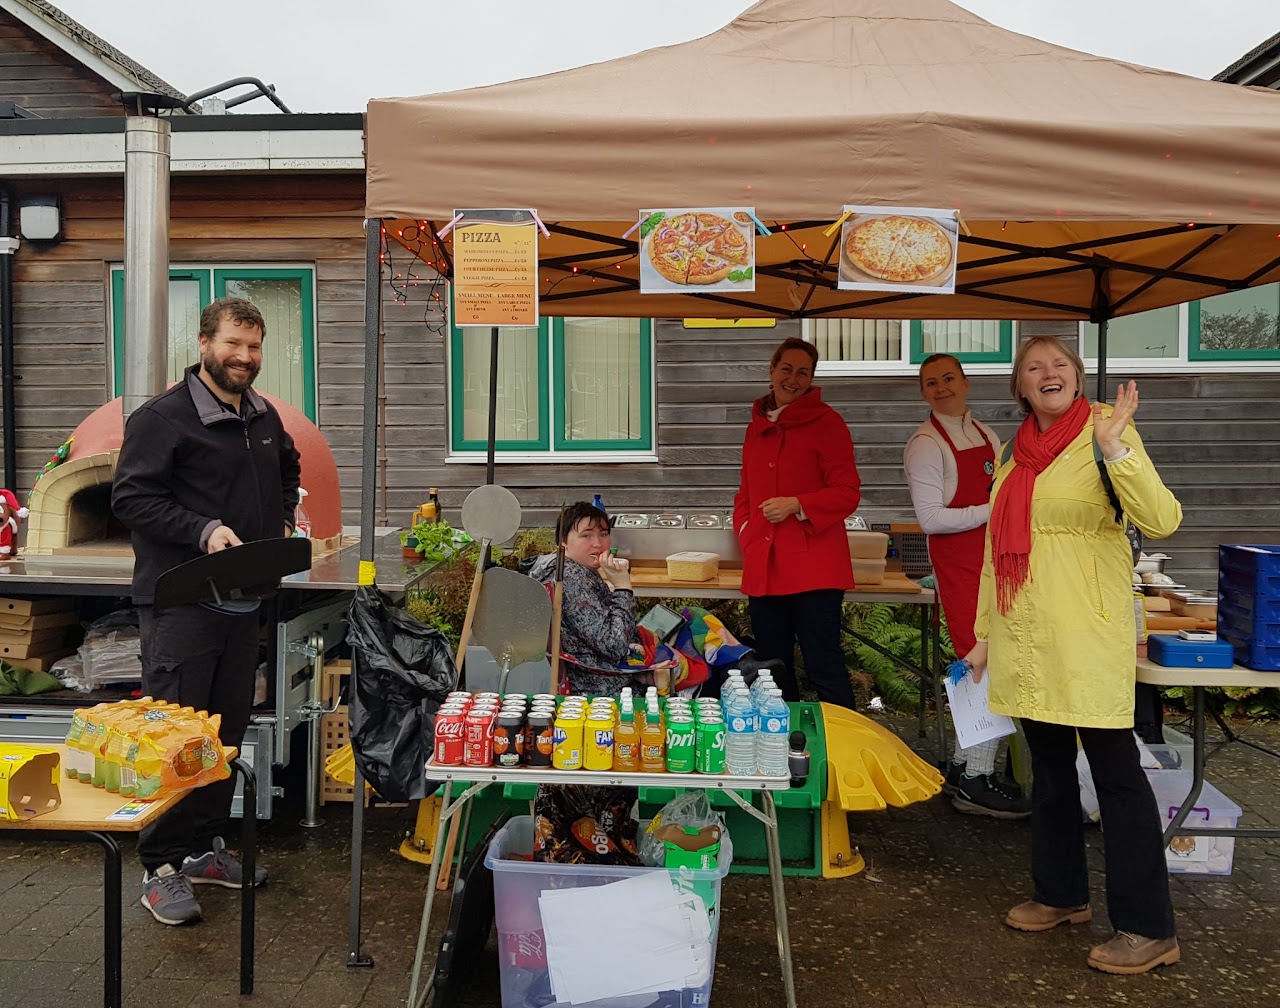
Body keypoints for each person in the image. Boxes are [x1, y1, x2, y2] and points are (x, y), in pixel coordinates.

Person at [966, 335, 1182, 974]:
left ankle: (1148, 928)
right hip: (1026, 637)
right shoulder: (1012, 452)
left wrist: (1117, 449)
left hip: (1086, 634)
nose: (1048, 373)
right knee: (1051, 771)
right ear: (1020, 386)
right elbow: (993, 550)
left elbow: (1163, 518)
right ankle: (1061, 895)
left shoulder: (1105, 432)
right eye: (1034, 367)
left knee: (1116, 777)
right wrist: (983, 634)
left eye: (1059, 364)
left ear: (1078, 375)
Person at [112, 296, 301, 926]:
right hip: (181, 602)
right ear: (203, 344)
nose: (245, 357)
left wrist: (283, 518)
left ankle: (202, 850)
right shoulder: (162, 418)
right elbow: (131, 498)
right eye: (233, 344)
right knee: (174, 737)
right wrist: (203, 530)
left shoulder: (262, 414)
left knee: (222, 734)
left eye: (254, 346)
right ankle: (159, 865)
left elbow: (288, 467)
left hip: (243, 600)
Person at [903, 353, 1029, 820]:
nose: (942, 388)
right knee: (979, 661)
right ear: (923, 392)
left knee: (987, 659)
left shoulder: (985, 434)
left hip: (993, 562)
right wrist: (993, 512)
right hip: (959, 566)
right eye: (931, 382)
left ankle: (961, 765)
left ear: (965, 382)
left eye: (949, 379)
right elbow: (931, 519)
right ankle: (977, 779)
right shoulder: (925, 445)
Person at [733, 336, 861, 709]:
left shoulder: (828, 423)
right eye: (786, 369)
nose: (793, 379)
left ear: (811, 379)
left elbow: (848, 492)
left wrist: (797, 504)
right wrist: (746, 533)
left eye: (803, 372)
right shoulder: (756, 426)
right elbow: (745, 494)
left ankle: (842, 740)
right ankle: (782, 739)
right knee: (773, 669)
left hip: (815, 568)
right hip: (765, 566)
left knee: (823, 665)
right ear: (772, 371)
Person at [528, 501, 641, 698]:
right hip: (601, 690)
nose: (597, 543)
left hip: (609, 674)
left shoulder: (577, 569)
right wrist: (622, 587)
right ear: (563, 541)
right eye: (586, 535)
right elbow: (614, 645)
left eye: (603, 534)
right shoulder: (571, 579)